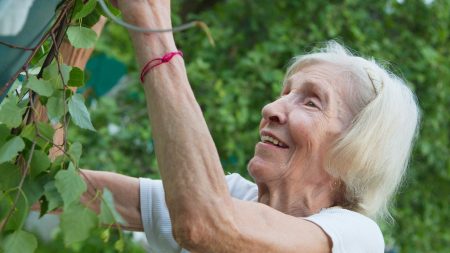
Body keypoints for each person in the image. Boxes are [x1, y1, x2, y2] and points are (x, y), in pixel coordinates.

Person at [80, 1, 420, 252]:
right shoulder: (233, 197)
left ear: (356, 149)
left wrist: (152, 26)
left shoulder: (355, 237)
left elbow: (203, 225)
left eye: (311, 101)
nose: (271, 108)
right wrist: (86, 14)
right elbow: (53, 181)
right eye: (285, 93)